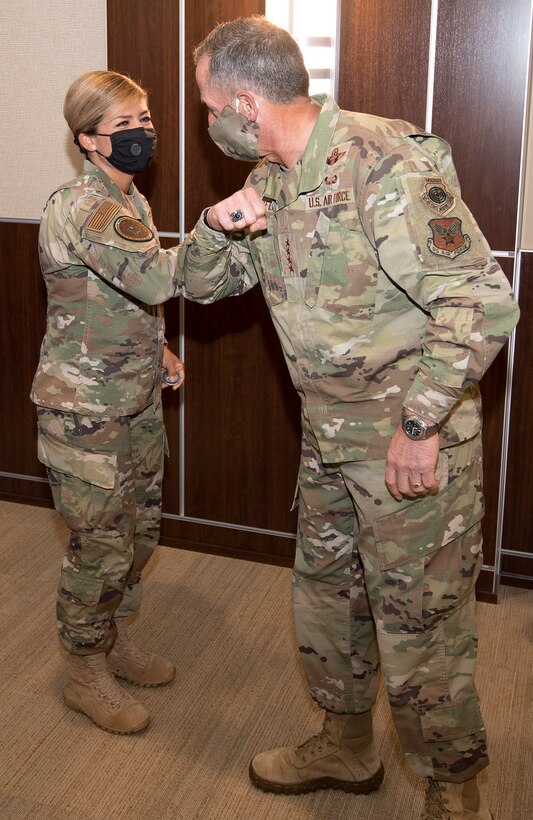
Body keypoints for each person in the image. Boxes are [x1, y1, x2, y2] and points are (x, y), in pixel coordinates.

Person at [179, 16, 520, 819]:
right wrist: (211, 224)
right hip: (329, 443)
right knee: (328, 601)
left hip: (409, 448)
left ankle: (450, 785)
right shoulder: (269, 180)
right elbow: (196, 286)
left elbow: (480, 302)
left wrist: (418, 427)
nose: (206, 123)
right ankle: (345, 744)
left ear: (243, 102)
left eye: (206, 106)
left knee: (421, 621)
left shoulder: (381, 163)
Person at [31, 70, 187, 735]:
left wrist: (162, 348)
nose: (141, 133)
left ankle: (117, 639)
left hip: (135, 394)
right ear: (87, 139)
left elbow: (129, 295)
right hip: (85, 408)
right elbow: (154, 272)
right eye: (123, 126)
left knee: (139, 531)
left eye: (145, 118)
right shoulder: (83, 206)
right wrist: (227, 229)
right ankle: (84, 669)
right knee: (99, 544)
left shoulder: (132, 201)